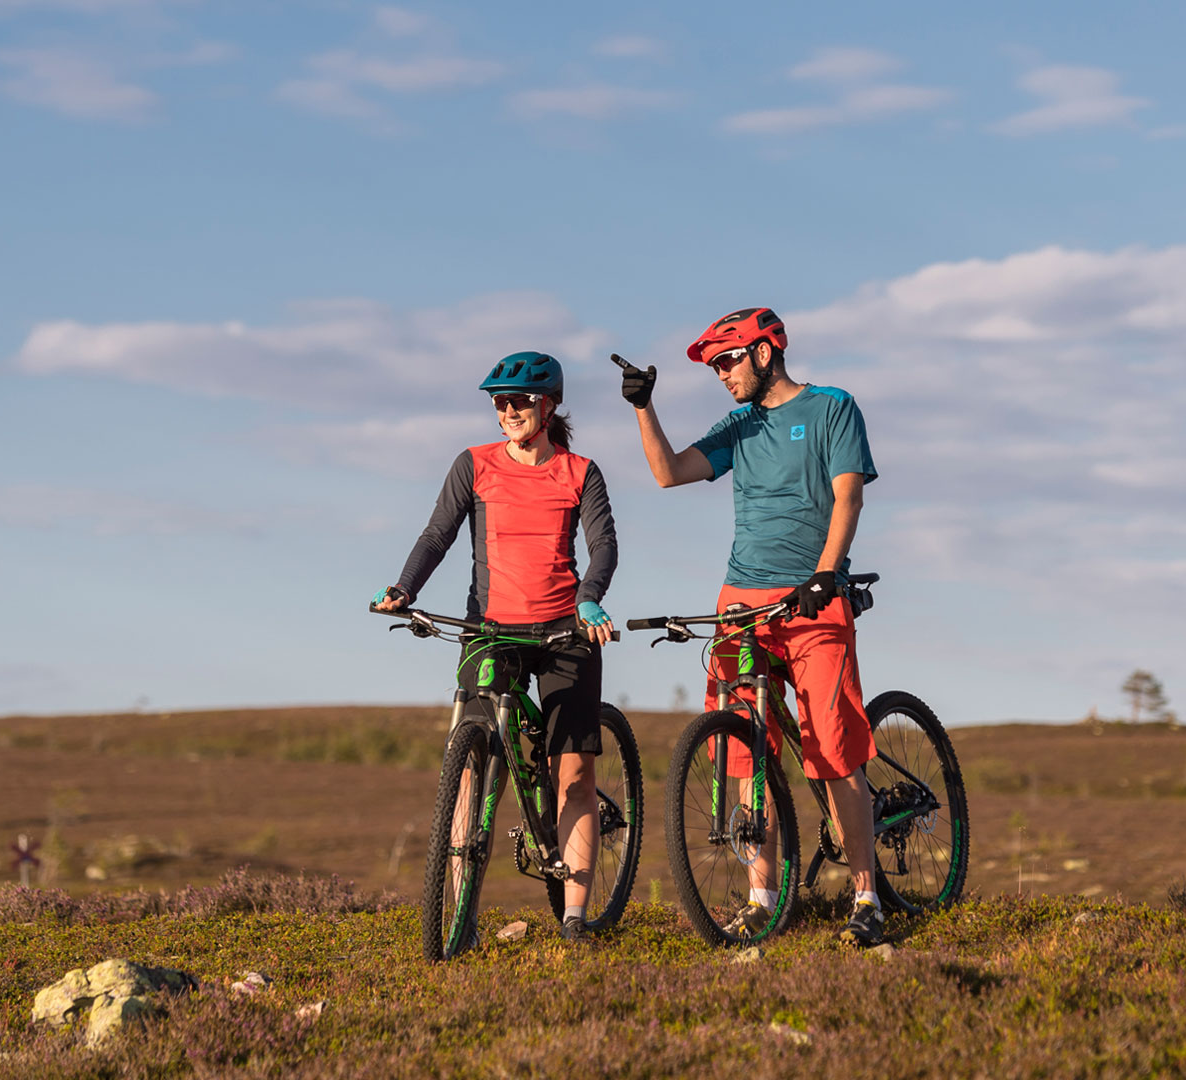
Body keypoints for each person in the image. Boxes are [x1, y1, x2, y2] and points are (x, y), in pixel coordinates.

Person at [613, 307, 886, 946]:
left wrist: (826, 573)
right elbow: (668, 472)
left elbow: (849, 495)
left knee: (831, 748)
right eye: (714, 366)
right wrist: (642, 409)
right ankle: (763, 896)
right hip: (741, 600)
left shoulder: (831, 409)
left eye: (728, 360)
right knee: (741, 747)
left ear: (765, 353)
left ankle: (867, 896)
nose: (721, 374)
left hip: (813, 597)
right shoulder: (740, 425)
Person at [373, 350, 618, 945]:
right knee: (472, 767)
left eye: (519, 402)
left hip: (564, 633)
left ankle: (575, 918)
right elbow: (438, 534)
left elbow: (603, 545)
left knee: (573, 775)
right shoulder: (474, 464)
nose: (507, 411)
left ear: (548, 405)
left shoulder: (579, 471)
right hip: (489, 629)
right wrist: (405, 587)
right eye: (499, 403)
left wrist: (589, 600)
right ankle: (461, 914)